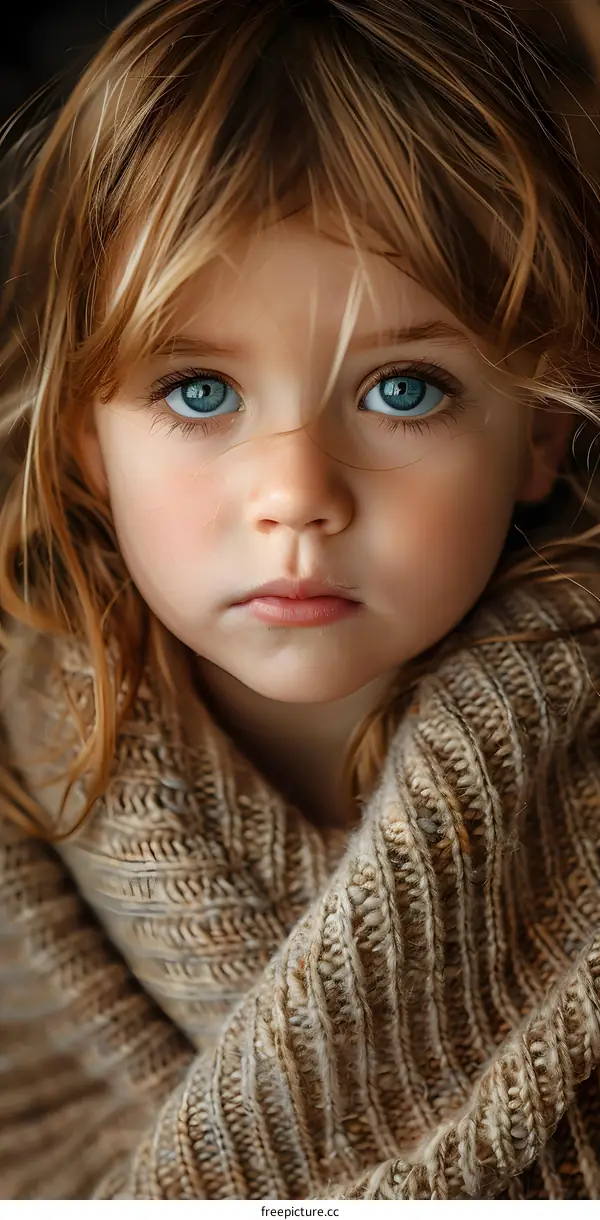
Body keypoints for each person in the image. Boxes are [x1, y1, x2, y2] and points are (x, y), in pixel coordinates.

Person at [1, 0, 600, 1201]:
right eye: (202, 391)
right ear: (82, 437)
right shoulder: (24, 796)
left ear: (538, 427)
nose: (298, 495)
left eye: (404, 388)